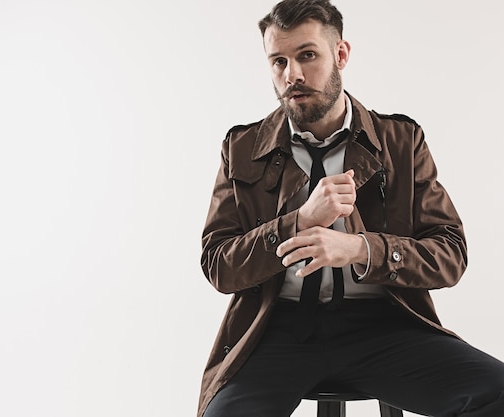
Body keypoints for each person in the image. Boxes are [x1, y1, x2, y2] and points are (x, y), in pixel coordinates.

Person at [197, 1, 504, 416]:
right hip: (276, 329)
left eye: (307, 55)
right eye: (279, 62)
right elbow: (219, 265)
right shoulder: (243, 148)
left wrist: (361, 249)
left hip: (383, 325)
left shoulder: (400, 141)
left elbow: (450, 256)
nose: (293, 76)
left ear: (340, 54)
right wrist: (299, 222)